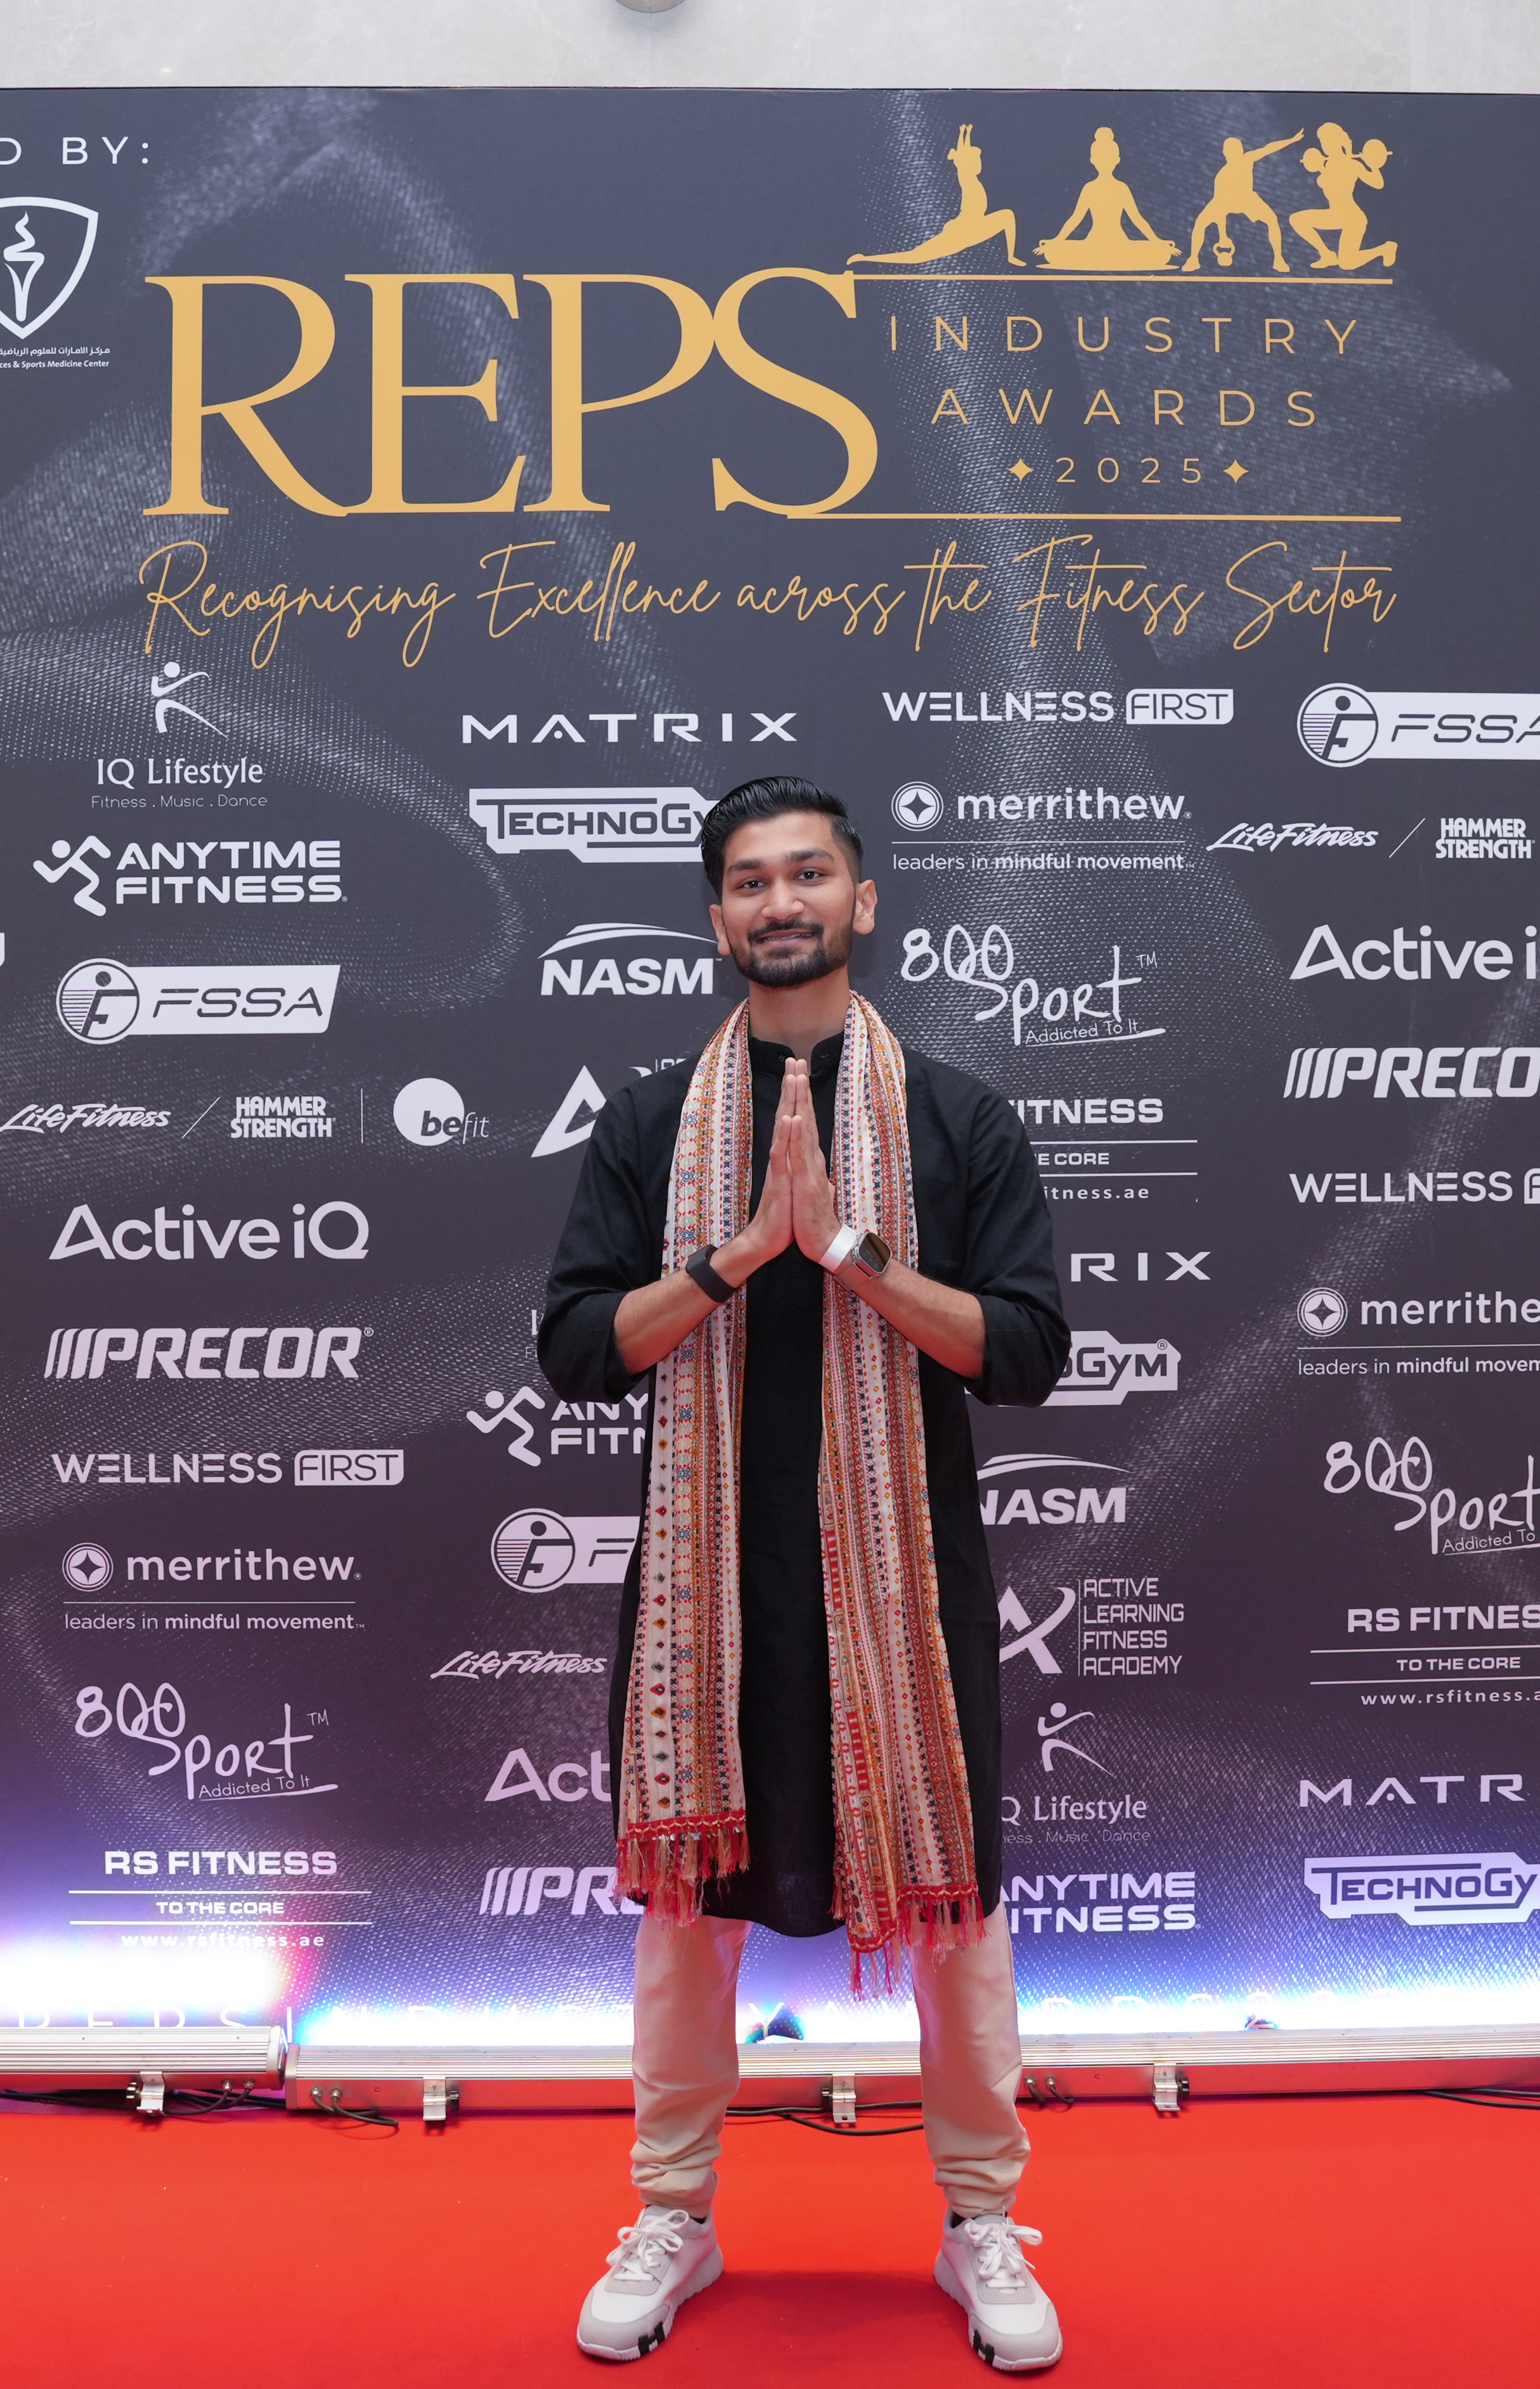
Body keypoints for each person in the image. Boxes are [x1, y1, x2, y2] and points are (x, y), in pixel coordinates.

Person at [539, 777, 1071, 2369]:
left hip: (906, 1597)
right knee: (685, 1909)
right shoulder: (651, 1124)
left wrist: (849, 1251)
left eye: (809, 874)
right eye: (752, 881)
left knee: (955, 1908)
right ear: (717, 917)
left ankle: (980, 2218)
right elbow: (577, 1349)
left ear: (863, 898)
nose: (782, 901)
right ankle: (674, 2211)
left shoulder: (958, 1119)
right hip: (712, 1595)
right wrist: (733, 1255)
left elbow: (1025, 1353)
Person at [849, 124, 1029, 269]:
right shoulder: (967, 178)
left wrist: (967, 134)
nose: (978, 164)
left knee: (1007, 216)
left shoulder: (974, 180)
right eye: (975, 161)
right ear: (967, 164)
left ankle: (1011, 256)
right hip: (962, 230)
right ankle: (865, 259)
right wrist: (963, 135)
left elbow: (963, 155)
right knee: (916, 256)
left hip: (976, 227)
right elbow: (962, 156)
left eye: (979, 161)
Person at [1035, 127, 1176, 271]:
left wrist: (1157, 241)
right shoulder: (1090, 188)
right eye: (1101, 158)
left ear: (1117, 160)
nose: (1105, 162)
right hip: (1094, 244)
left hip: (1119, 244)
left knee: (1158, 251)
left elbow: (1137, 219)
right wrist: (1057, 241)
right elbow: (1076, 219)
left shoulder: (1121, 188)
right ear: (1093, 160)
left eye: (1108, 158)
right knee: (1056, 251)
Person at [1182, 130, 1304, 271]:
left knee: (1272, 220)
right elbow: (1219, 208)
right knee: (1200, 223)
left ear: (1241, 150)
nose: (1235, 152)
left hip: (1247, 199)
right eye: (1231, 150)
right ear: (1225, 153)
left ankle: (1278, 260)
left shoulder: (1247, 159)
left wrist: (1292, 140)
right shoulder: (1221, 176)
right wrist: (1223, 237)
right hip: (1227, 201)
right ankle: (1193, 260)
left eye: (1237, 149)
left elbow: (1268, 149)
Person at [1288, 125, 1397, 271]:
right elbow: (1326, 182)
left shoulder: (1351, 164)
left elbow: (1378, 184)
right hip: (1336, 215)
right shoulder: (1329, 165)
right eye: (1323, 142)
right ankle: (1327, 254)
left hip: (1352, 218)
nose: (1325, 146)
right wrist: (1320, 167)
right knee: (1297, 220)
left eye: (1328, 142)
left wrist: (1373, 165)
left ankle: (1385, 249)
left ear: (1338, 142)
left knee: (1347, 263)